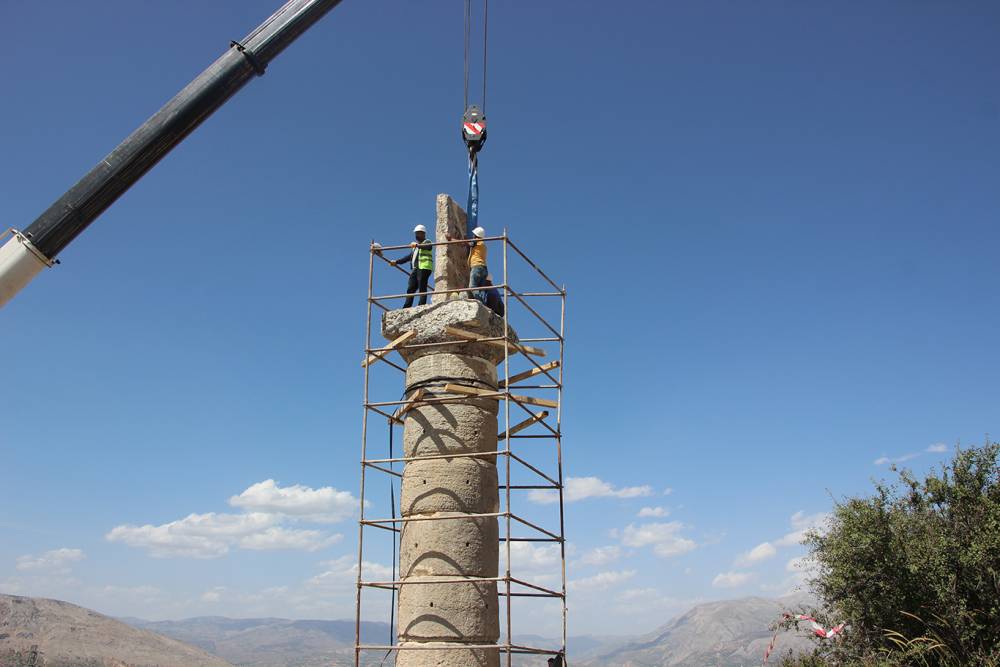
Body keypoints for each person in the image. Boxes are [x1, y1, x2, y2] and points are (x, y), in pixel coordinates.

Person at [390, 224, 433, 308]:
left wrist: (417, 245)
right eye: (416, 233)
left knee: (422, 286)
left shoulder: (427, 242)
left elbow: (427, 247)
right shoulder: (415, 247)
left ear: (423, 234)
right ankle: (407, 306)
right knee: (411, 288)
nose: (417, 235)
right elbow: (408, 257)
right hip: (416, 269)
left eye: (418, 233)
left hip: (424, 267)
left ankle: (421, 305)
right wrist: (396, 262)